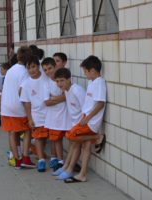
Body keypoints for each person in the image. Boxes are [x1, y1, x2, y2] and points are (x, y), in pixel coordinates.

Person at [60, 55, 106, 183]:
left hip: (91, 121)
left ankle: (98, 137)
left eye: (85, 72)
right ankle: (83, 174)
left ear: (92, 70)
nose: (85, 74)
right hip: (86, 118)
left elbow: (100, 104)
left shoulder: (99, 83)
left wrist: (88, 118)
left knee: (71, 136)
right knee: (86, 146)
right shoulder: (92, 82)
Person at [1, 46, 35, 169]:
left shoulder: (11, 70)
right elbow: (22, 92)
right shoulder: (25, 72)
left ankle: (16, 159)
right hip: (18, 107)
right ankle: (25, 158)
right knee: (27, 131)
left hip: (6, 106)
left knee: (11, 132)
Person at [52, 67, 85, 179]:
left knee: (75, 145)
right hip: (74, 123)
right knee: (72, 145)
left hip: (81, 124)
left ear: (69, 79)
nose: (59, 83)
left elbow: (85, 108)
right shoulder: (66, 91)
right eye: (57, 81)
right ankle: (65, 167)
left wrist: (81, 125)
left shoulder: (77, 90)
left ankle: (70, 169)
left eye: (62, 80)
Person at [20, 55, 49, 172]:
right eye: (29, 68)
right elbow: (26, 103)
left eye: (33, 67)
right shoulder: (26, 83)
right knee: (38, 137)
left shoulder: (46, 78)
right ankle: (41, 160)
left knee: (50, 136)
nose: (31, 70)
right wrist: (30, 118)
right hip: (36, 115)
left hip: (50, 113)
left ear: (38, 67)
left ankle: (54, 159)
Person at [41, 57, 70, 171]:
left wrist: (55, 98)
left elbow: (67, 95)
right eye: (45, 70)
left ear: (55, 66)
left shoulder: (62, 79)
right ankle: (60, 161)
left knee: (70, 139)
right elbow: (47, 102)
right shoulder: (46, 84)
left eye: (50, 68)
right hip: (54, 117)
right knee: (57, 140)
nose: (48, 72)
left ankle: (69, 161)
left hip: (66, 115)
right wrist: (61, 98)